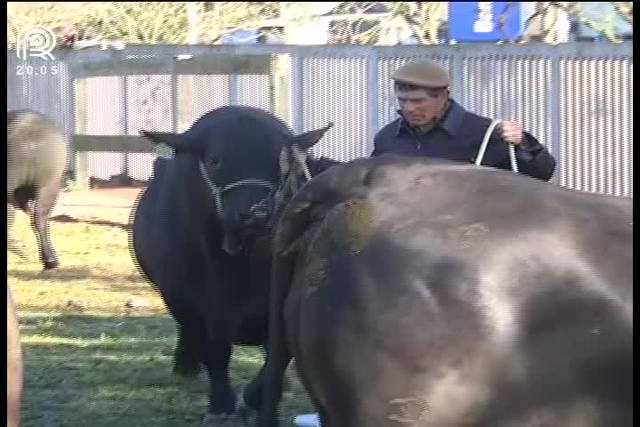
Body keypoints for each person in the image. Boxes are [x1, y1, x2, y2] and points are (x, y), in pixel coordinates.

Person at [372, 60, 556, 181]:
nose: (409, 108)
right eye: (402, 100)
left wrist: (522, 143)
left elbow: (541, 175)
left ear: (443, 96)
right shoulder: (388, 138)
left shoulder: (484, 134)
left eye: (418, 101)